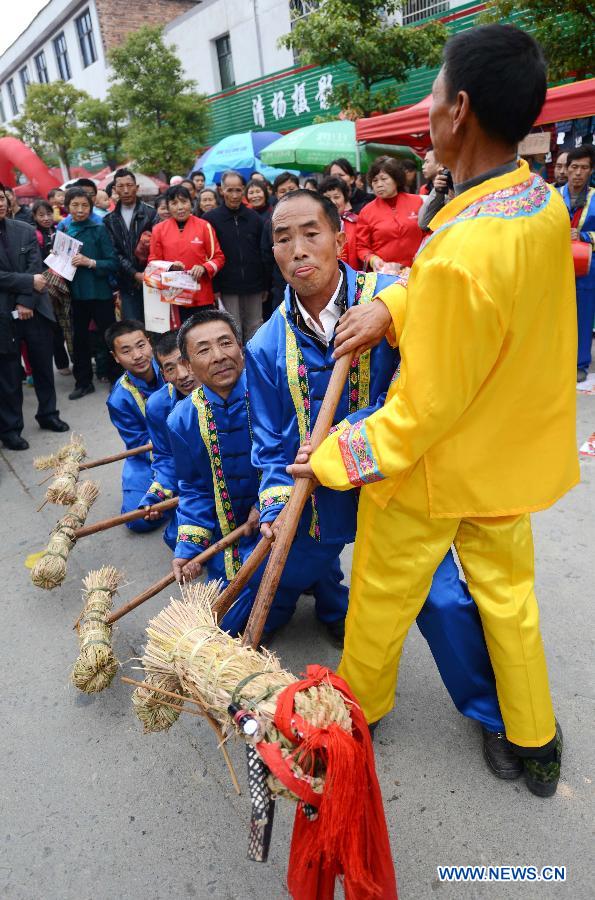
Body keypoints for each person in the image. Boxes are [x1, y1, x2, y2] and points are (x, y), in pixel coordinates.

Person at [294, 24, 578, 798]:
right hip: (506, 461)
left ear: (457, 109)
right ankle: (534, 742)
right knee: (510, 601)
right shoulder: (538, 202)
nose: (423, 111)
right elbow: (487, 315)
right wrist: (392, 302)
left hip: (432, 468)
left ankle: (355, 713)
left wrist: (329, 460)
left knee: (382, 597)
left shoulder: (461, 249)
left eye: (429, 95)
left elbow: (418, 413)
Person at [169, 309, 295, 636]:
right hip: (228, 532)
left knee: (299, 575)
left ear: (241, 346)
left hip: (285, 513)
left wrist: (268, 506)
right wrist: (189, 550)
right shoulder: (181, 420)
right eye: (204, 349)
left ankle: (330, 602)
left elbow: (295, 458)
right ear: (186, 363)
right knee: (227, 623)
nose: (219, 356)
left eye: (226, 343)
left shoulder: (276, 391)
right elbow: (194, 489)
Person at [0, 183, 69, 449]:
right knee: (8, 375)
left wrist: (25, 299)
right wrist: (27, 284)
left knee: (43, 366)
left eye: (2, 198)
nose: (2, 203)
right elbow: (30, 277)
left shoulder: (25, 230)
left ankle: (49, 414)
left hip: (35, 309)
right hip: (4, 314)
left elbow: (35, 268)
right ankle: (11, 428)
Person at [106, 319, 167, 535]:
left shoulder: (171, 366)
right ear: (116, 357)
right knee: (138, 519)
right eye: (126, 350)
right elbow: (138, 444)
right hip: (152, 456)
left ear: (150, 343)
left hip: (194, 444)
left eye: (141, 345)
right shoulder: (119, 399)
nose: (137, 355)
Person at [138, 330, 198, 550]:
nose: (182, 375)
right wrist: (157, 494)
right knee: (174, 539)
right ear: (163, 375)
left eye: (185, 362)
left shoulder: (226, 389)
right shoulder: (157, 405)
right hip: (194, 485)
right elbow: (165, 457)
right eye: (171, 368)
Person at [65, 188, 119, 400]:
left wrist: (90, 262)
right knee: (80, 341)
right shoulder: (64, 230)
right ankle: (83, 381)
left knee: (109, 338)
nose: (80, 210)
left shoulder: (99, 229)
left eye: (84, 205)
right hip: (76, 294)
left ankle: (116, 379)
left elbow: (112, 262)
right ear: (67, 207)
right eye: (75, 205)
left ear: (91, 206)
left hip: (100, 293)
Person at [203, 170, 266, 342]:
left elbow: (263, 252)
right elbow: (208, 256)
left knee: (256, 327)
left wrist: (264, 284)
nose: (234, 195)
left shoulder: (255, 218)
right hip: (227, 286)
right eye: (230, 190)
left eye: (238, 190)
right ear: (221, 191)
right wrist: (214, 287)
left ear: (244, 190)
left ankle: (256, 365)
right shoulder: (210, 219)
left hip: (254, 284)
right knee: (232, 328)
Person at [148, 185, 224, 324]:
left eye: (184, 201)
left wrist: (204, 267)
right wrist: (169, 267)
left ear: (191, 203)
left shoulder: (204, 226)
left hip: (201, 295)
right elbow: (153, 262)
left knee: (203, 333)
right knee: (178, 339)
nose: (180, 207)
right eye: (174, 203)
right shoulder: (159, 230)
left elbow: (218, 257)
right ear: (168, 207)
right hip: (172, 296)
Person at [557, 146, 595, 382]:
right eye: (574, 167)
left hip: (586, 267)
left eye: (584, 168)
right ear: (566, 169)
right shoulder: (552, 196)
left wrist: (582, 237)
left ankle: (580, 362)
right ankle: (554, 358)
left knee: (582, 313)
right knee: (552, 313)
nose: (578, 173)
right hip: (555, 263)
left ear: (591, 171)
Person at [104, 168, 159, 323]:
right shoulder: (109, 220)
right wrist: (134, 273)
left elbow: (158, 247)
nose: (126, 190)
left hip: (152, 280)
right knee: (134, 327)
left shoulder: (151, 214)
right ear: (114, 189)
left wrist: (147, 273)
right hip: (127, 282)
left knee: (157, 327)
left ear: (137, 187)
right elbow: (114, 252)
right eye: (121, 186)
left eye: (129, 185)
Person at [356, 156, 424, 271]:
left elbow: (429, 233)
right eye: (375, 180)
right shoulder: (366, 212)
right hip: (386, 274)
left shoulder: (418, 202)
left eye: (384, 179)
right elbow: (362, 247)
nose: (379, 184)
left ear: (396, 180)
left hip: (418, 269)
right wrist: (373, 260)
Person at [32, 199, 70, 375]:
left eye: (48, 214)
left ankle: (74, 358)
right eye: (41, 215)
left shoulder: (58, 231)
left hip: (62, 283)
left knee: (67, 323)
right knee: (54, 326)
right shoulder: (34, 235)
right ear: (34, 217)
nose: (46, 218)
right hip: (47, 287)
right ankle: (61, 363)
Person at [261, 172, 300, 316]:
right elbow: (266, 256)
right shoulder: (270, 222)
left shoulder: (313, 215)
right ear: (276, 194)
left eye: (292, 189)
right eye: (282, 191)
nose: (288, 194)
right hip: (282, 283)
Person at [318, 175, 359, 270]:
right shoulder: (316, 226)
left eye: (337, 197)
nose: (332, 202)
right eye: (327, 197)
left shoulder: (357, 222)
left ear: (345, 199)